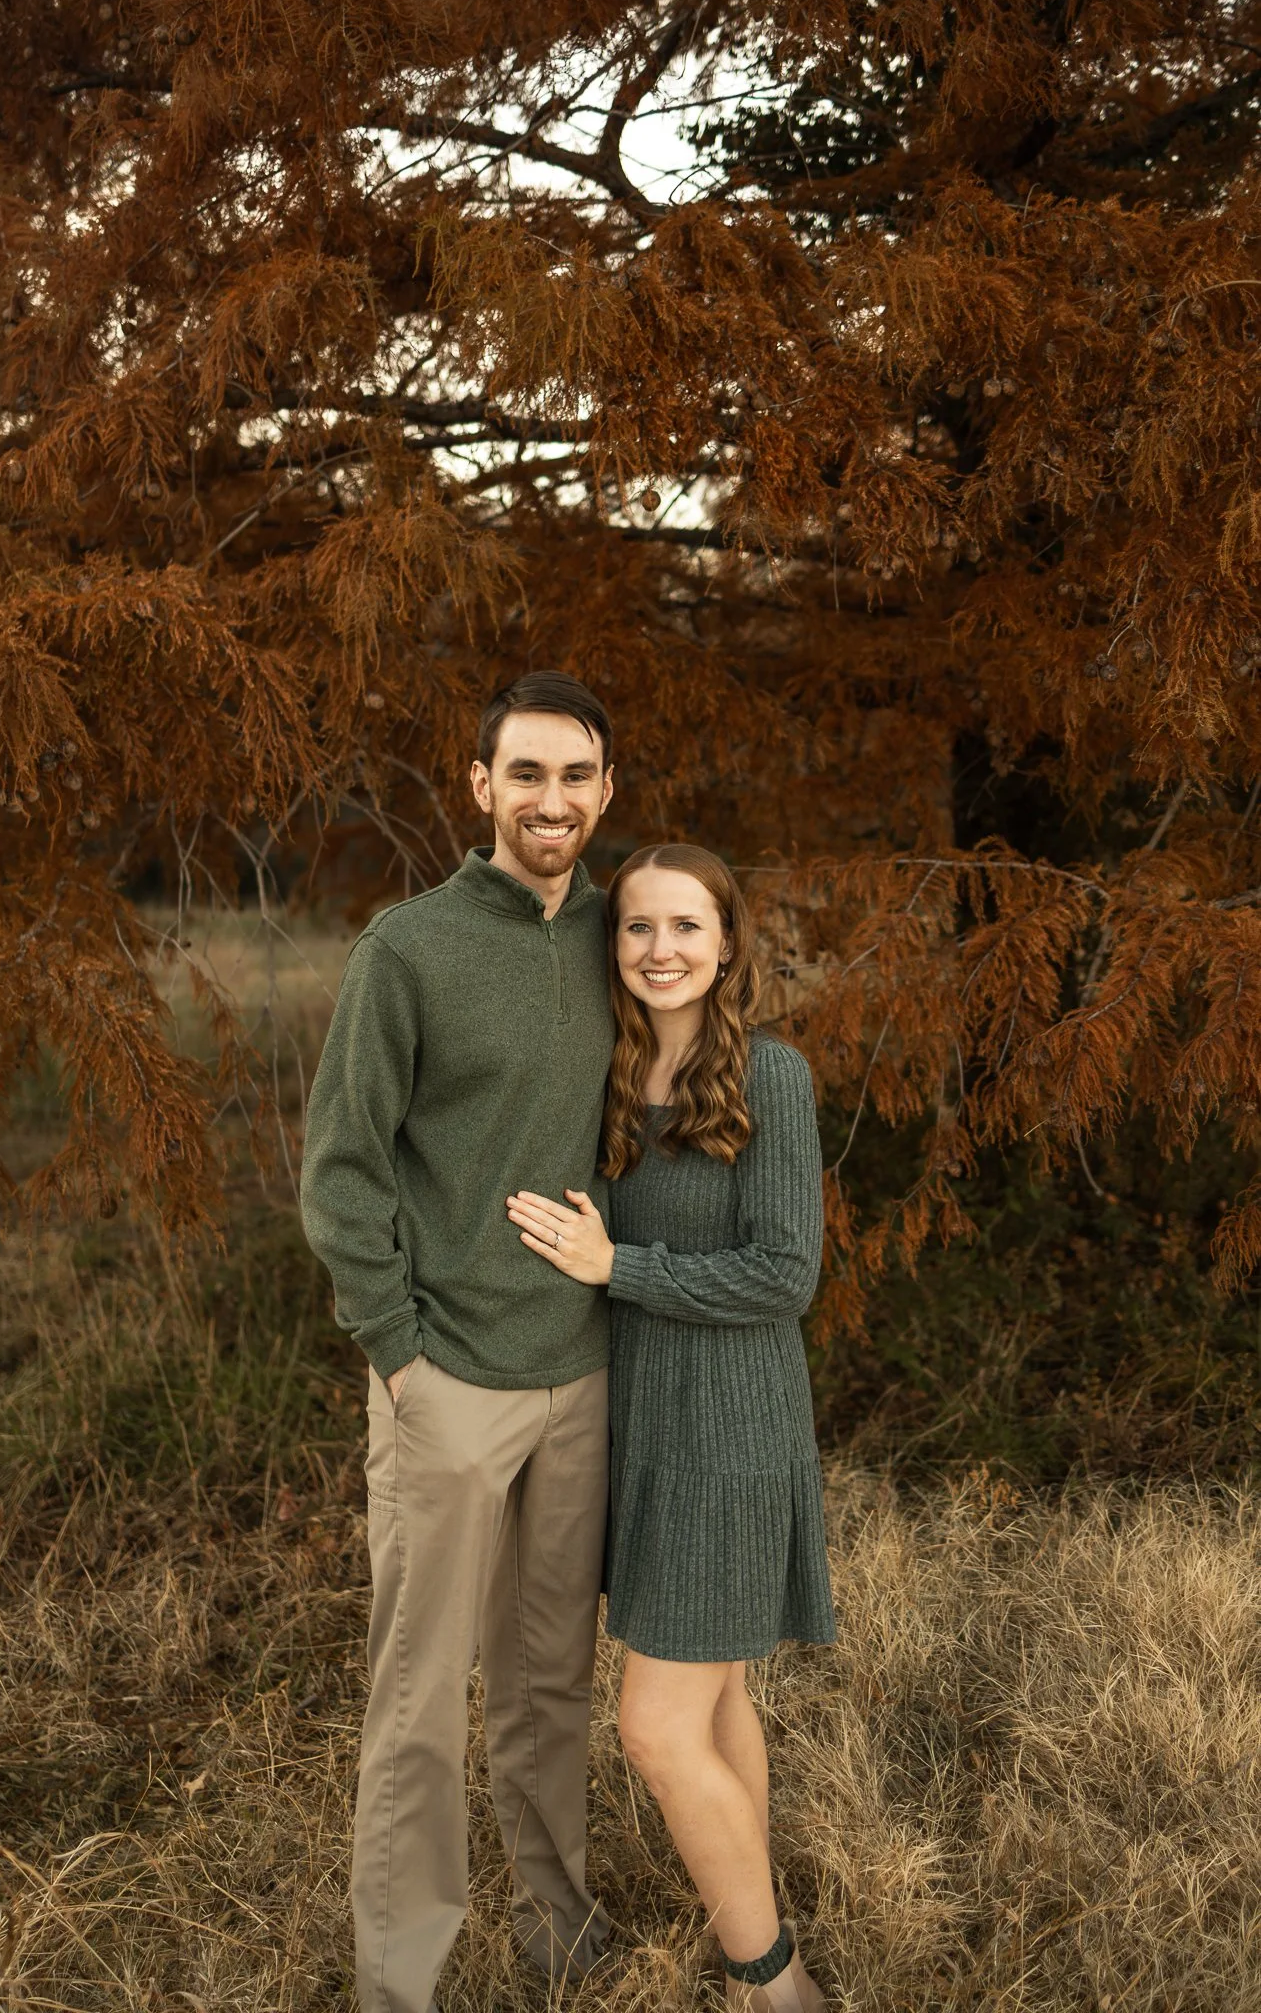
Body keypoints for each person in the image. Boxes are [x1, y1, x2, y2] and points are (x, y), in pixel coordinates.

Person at [300, 671, 617, 2013]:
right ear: (481, 786)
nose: (552, 799)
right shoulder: (408, 950)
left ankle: (560, 1933)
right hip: (447, 1383)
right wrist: (400, 1357)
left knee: (549, 1684)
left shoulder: (620, 934)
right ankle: (402, 1982)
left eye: (575, 776)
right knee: (420, 1702)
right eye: (525, 773)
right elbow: (340, 1170)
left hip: (582, 1374)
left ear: (605, 790)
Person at [507, 842, 835, 2013]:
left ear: (728, 940)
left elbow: (785, 1272)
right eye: (637, 926)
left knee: (652, 1726)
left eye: (687, 926)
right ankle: (754, 1907)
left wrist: (622, 1266)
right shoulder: (604, 1069)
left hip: (730, 1429)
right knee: (715, 1697)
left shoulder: (770, 1074)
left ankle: (774, 1981)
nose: (660, 949)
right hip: (637, 1423)